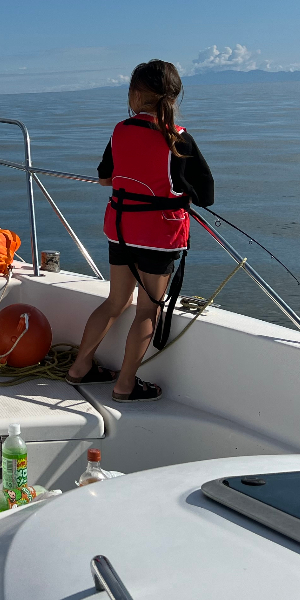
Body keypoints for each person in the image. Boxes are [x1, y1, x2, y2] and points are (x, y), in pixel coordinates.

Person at [65, 60, 214, 402]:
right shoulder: (179, 140)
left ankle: (79, 368)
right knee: (147, 311)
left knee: (115, 302)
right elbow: (205, 195)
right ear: (174, 98)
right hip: (158, 238)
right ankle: (125, 385)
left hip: (120, 229)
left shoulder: (120, 130)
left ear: (134, 95)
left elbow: (106, 178)